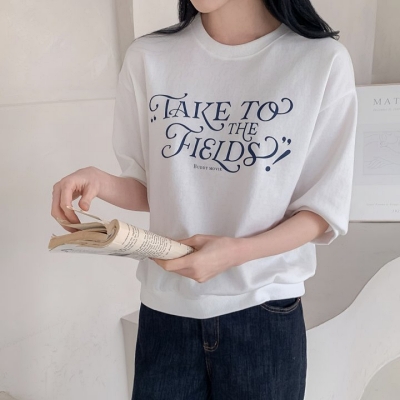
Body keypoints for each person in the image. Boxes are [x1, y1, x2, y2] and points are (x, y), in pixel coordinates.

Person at [51, 0, 358, 398]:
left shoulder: (320, 61)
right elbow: (157, 187)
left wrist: (235, 253)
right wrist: (100, 181)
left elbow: (320, 210)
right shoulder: (149, 57)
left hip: (263, 312)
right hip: (166, 311)